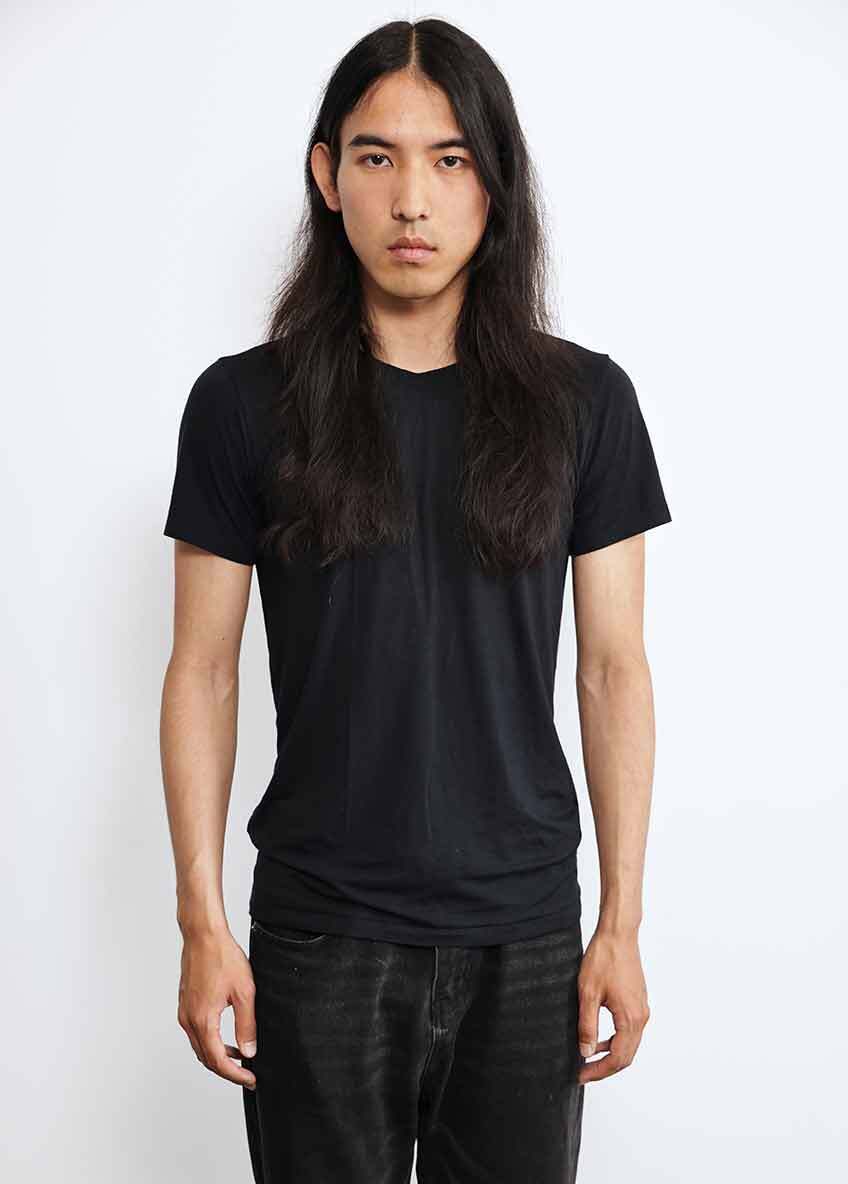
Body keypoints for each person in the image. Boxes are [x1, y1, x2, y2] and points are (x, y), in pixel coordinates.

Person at [160, 18, 672, 1184]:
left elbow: (612, 669)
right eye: (376, 156)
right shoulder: (241, 405)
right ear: (326, 173)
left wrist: (620, 920)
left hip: (525, 933)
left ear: (493, 180)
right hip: (319, 932)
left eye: (449, 160)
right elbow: (202, 667)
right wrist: (200, 922)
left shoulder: (584, 402)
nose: (411, 200)